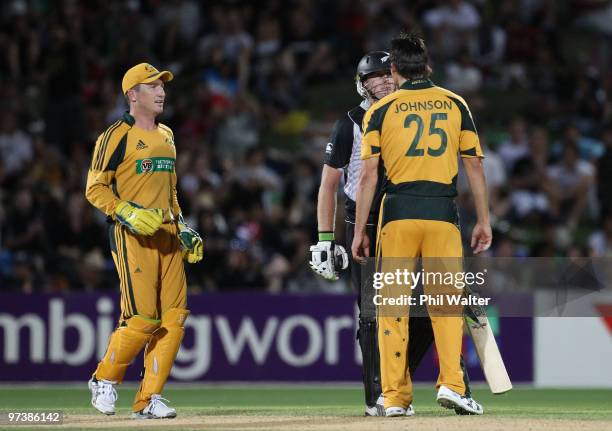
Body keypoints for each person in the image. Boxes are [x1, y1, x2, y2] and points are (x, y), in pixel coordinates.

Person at [310, 51, 474, 417]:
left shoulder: (405, 112)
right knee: (373, 314)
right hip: (365, 222)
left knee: (429, 309)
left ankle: (397, 386)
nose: (383, 81)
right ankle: (377, 397)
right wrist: (324, 238)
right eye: (374, 76)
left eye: (388, 74)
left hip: (406, 214)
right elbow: (328, 185)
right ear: (361, 83)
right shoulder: (350, 122)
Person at [352, 34, 490, 416]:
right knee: (446, 305)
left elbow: (367, 176)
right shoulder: (455, 103)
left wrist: (360, 228)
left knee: (391, 307)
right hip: (442, 215)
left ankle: (394, 398)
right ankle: (453, 385)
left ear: (393, 70)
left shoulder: (378, 111)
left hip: (396, 216)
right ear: (427, 66)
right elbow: (474, 165)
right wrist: (483, 219)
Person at [85, 63, 203, 419]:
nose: (161, 91)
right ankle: (104, 379)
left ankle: (148, 400)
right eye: (152, 86)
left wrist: (182, 225)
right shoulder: (114, 135)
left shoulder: (167, 134)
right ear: (132, 94)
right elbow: (95, 188)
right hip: (132, 235)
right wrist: (126, 211)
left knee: (175, 318)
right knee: (141, 319)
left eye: (162, 85)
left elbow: (171, 190)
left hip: (167, 235)